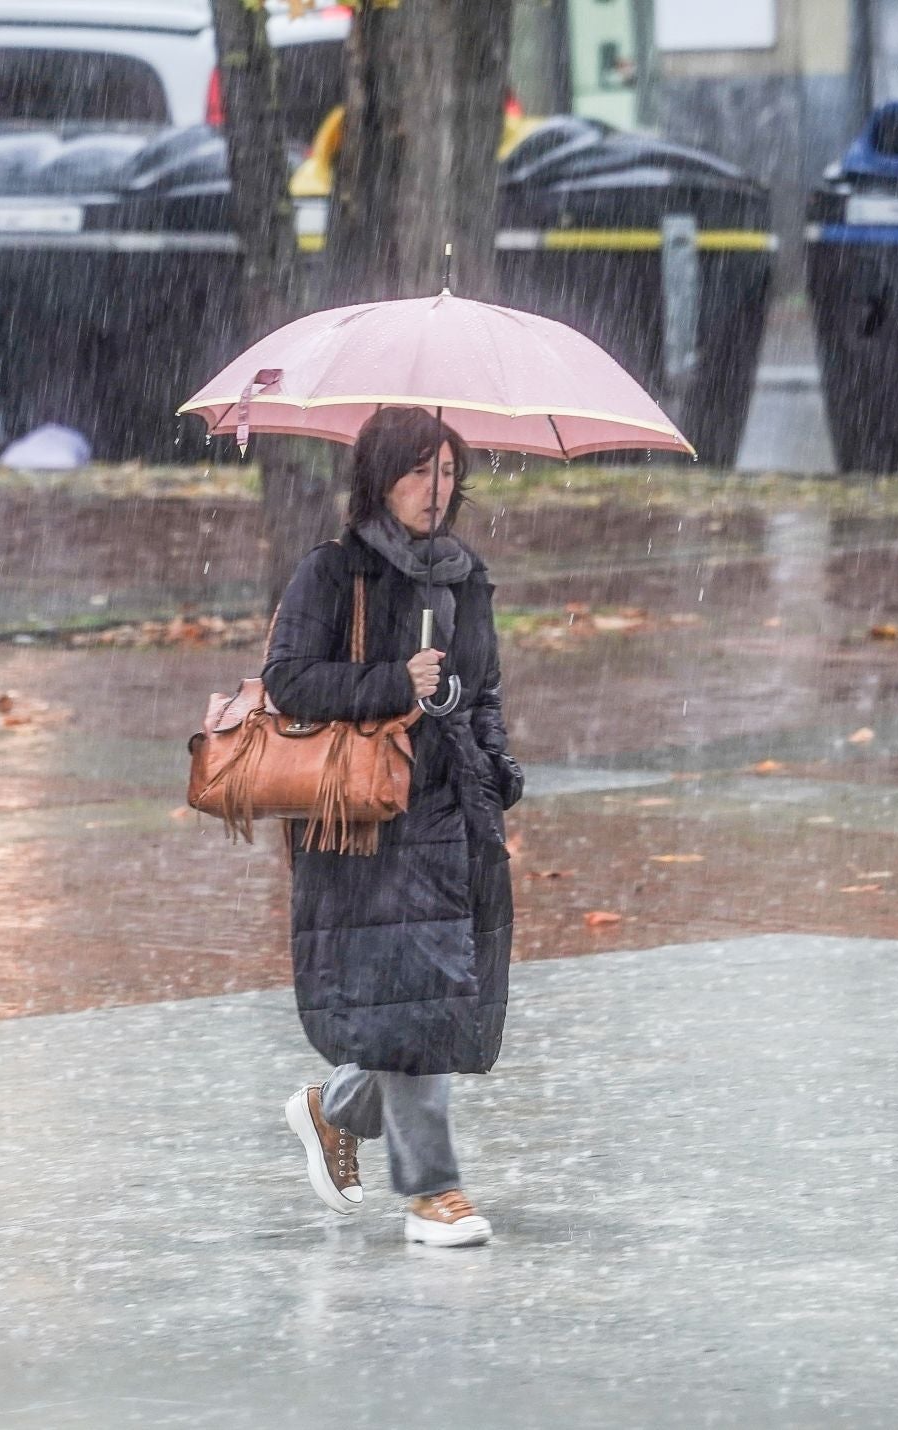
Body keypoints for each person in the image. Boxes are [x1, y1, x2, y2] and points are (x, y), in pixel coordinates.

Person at [263, 406, 522, 1248]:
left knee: (433, 1003)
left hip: (450, 811)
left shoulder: (463, 574)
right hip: (367, 818)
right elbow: (290, 682)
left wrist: (489, 756)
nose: (435, 490)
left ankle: (333, 1108)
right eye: (417, 471)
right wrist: (389, 683)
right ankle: (433, 1194)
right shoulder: (334, 572)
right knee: (415, 999)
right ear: (378, 478)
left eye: (448, 472)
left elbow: (481, 691)